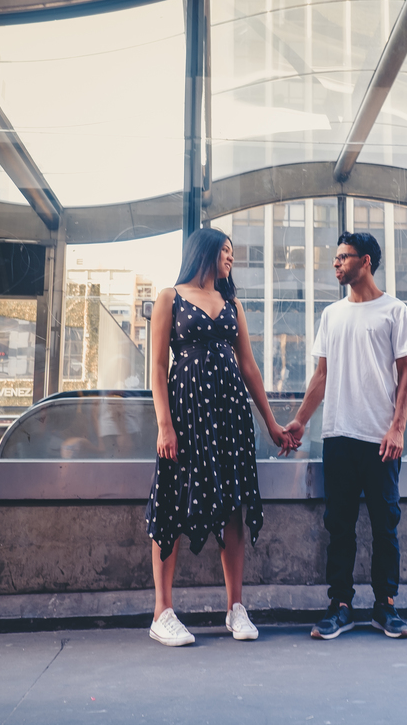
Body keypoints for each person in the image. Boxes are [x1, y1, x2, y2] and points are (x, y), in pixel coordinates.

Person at [145, 228, 294, 646]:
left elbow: (249, 367)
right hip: (186, 412)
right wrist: (164, 424)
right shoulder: (168, 298)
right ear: (206, 252)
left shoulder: (232, 303)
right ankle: (162, 612)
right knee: (172, 503)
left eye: (233, 253)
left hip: (229, 414)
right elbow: (157, 367)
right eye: (226, 251)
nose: (231, 258)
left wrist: (270, 422)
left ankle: (235, 608)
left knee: (233, 505)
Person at [280, 232, 407, 640]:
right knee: (338, 526)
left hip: (381, 439)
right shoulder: (332, 315)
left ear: (367, 261)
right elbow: (321, 376)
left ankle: (386, 607)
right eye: (335, 257)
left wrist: (397, 428)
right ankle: (340, 606)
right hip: (338, 434)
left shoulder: (395, 311)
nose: (336, 263)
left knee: (385, 527)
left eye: (344, 257)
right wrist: (301, 421)